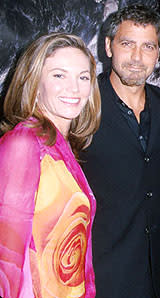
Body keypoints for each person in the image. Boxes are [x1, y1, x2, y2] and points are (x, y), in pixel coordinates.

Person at [80, 4, 160, 298]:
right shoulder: (82, 106)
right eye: (127, 44)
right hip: (103, 274)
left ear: (158, 54)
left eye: (148, 46)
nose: (137, 57)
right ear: (109, 47)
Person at [0, 32, 101, 298]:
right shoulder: (23, 144)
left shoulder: (60, 146)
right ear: (35, 81)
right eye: (59, 75)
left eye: (83, 77)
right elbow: (6, 263)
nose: (75, 88)